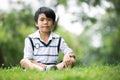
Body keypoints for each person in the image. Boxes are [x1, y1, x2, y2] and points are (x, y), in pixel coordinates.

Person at [20, 7, 76, 71]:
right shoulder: (30, 39)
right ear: (36, 23)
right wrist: (44, 66)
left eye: (49, 20)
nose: (45, 22)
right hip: (37, 66)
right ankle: (42, 70)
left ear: (53, 23)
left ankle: (53, 69)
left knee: (72, 59)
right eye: (42, 20)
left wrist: (67, 55)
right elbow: (29, 59)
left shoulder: (58, 39)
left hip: (55, 66)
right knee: (24, 61)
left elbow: (71, 53)